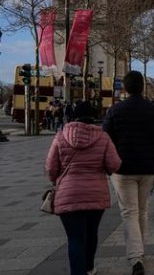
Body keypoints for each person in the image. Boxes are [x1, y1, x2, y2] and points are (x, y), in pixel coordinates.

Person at [102, 71, 154, 275]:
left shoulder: (115, 110)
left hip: (122, 169)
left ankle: (135, 258)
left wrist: (107, 166)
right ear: (142, 87)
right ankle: (139, 251)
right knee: (141, 211)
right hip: (147, 168)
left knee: (129, 212)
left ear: (124, 88)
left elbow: (105, 141)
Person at [45, 101, 122, 275]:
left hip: (68, 194)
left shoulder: (60, 136)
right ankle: (89, 267)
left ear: (73, 116)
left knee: (75, 239)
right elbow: (114, 164)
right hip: (96, 195)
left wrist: (55, 180)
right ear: (93, 117)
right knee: (91, 234)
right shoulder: (103, 137)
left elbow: (51, 168)